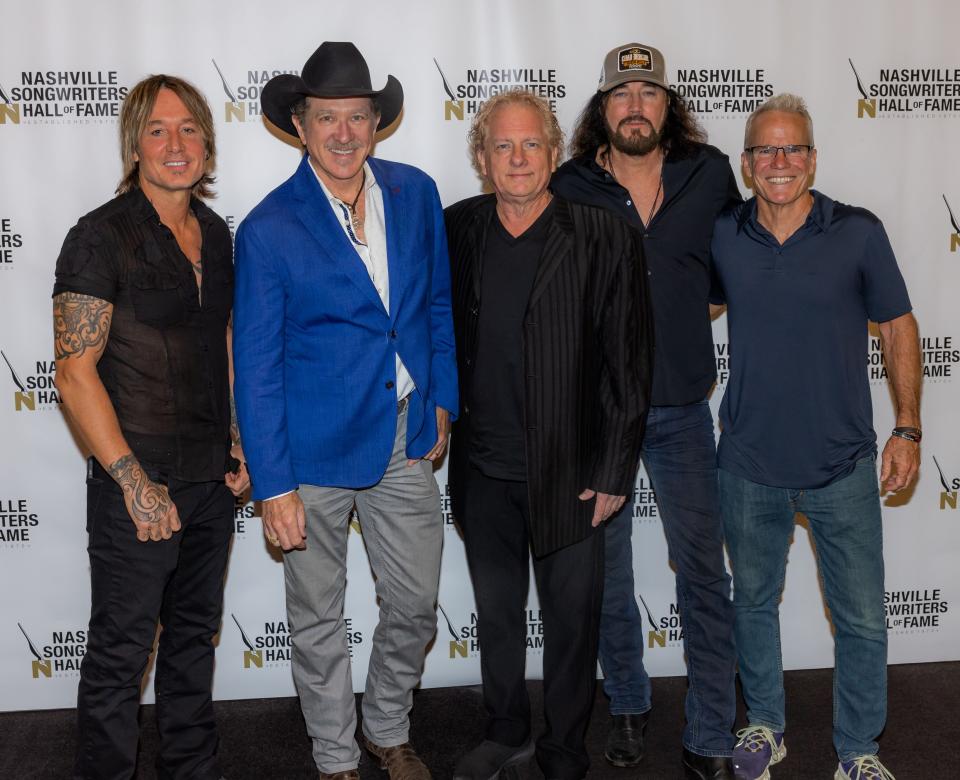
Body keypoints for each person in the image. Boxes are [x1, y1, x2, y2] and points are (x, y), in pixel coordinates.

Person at [232, 42, 457, 780]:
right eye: (327, 117)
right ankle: (335, 757)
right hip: (310, 452)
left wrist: (443, 397)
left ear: (375, 122)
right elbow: (257, 366)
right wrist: (273, 484)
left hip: (401, 436)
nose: (343, 133)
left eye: (356, 116)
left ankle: (386, 724)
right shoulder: (268, 228)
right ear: (300, 124)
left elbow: (434, 306)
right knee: (318, 619)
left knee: (419, 602)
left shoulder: (416, 192)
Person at [711, 93, 921, 780]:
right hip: (747, 464)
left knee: (861, 620)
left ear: (812, 159)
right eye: (765, 150)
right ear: (746, 163)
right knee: (753, 605)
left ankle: (859, 751)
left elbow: (898, 328)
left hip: (843, 466)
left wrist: (908, 428)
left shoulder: (857, 232)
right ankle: (765, 727)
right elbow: (687, 311)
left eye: (792, 148)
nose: (779, 162)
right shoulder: (722, 234)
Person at [445, 91, 651, 780]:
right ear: (482, 159)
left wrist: (616, 469)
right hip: (484, 473)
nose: (518, 158)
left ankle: (564, 750)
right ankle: (504, 729)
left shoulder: (604, 234)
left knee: (571, 627)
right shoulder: (457, 230)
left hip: (573, 472)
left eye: (531, 144)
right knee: (498, 617)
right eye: (502, 146)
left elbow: (628, 363)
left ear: (554, 151)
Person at [551, 43, 740, 779]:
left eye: (649, 93)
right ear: (603, 108)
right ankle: (627, 704)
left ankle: (711, 731)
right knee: (608, 575)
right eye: (621, 93)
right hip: (600, 418)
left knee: (702, 573)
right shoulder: (569, 185)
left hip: (685, 409)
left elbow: (727, 275)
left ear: (669, 106)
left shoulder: (710, 172)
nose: (635, 105)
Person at [53, 74, 248, 780]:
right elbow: (74, 372)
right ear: (135, 144)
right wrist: (134, 484)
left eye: (189, 128)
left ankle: (192, 769)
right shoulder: (99, 235)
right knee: (122, 651)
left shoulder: (218, 234)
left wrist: (238, 439)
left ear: (207, 141)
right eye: (159, 130)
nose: (176, 143)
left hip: (210, 481)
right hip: (136, 481)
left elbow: (222, 338)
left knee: (193, 642)